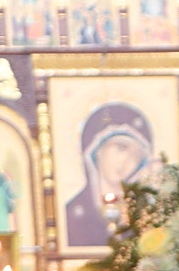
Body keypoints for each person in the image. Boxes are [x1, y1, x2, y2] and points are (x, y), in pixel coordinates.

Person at [65, 102, 153, 248]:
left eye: (136, 156)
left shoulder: (146, 213)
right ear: (97, 149)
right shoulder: (71, 214)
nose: (126, 161)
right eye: (121, 147)